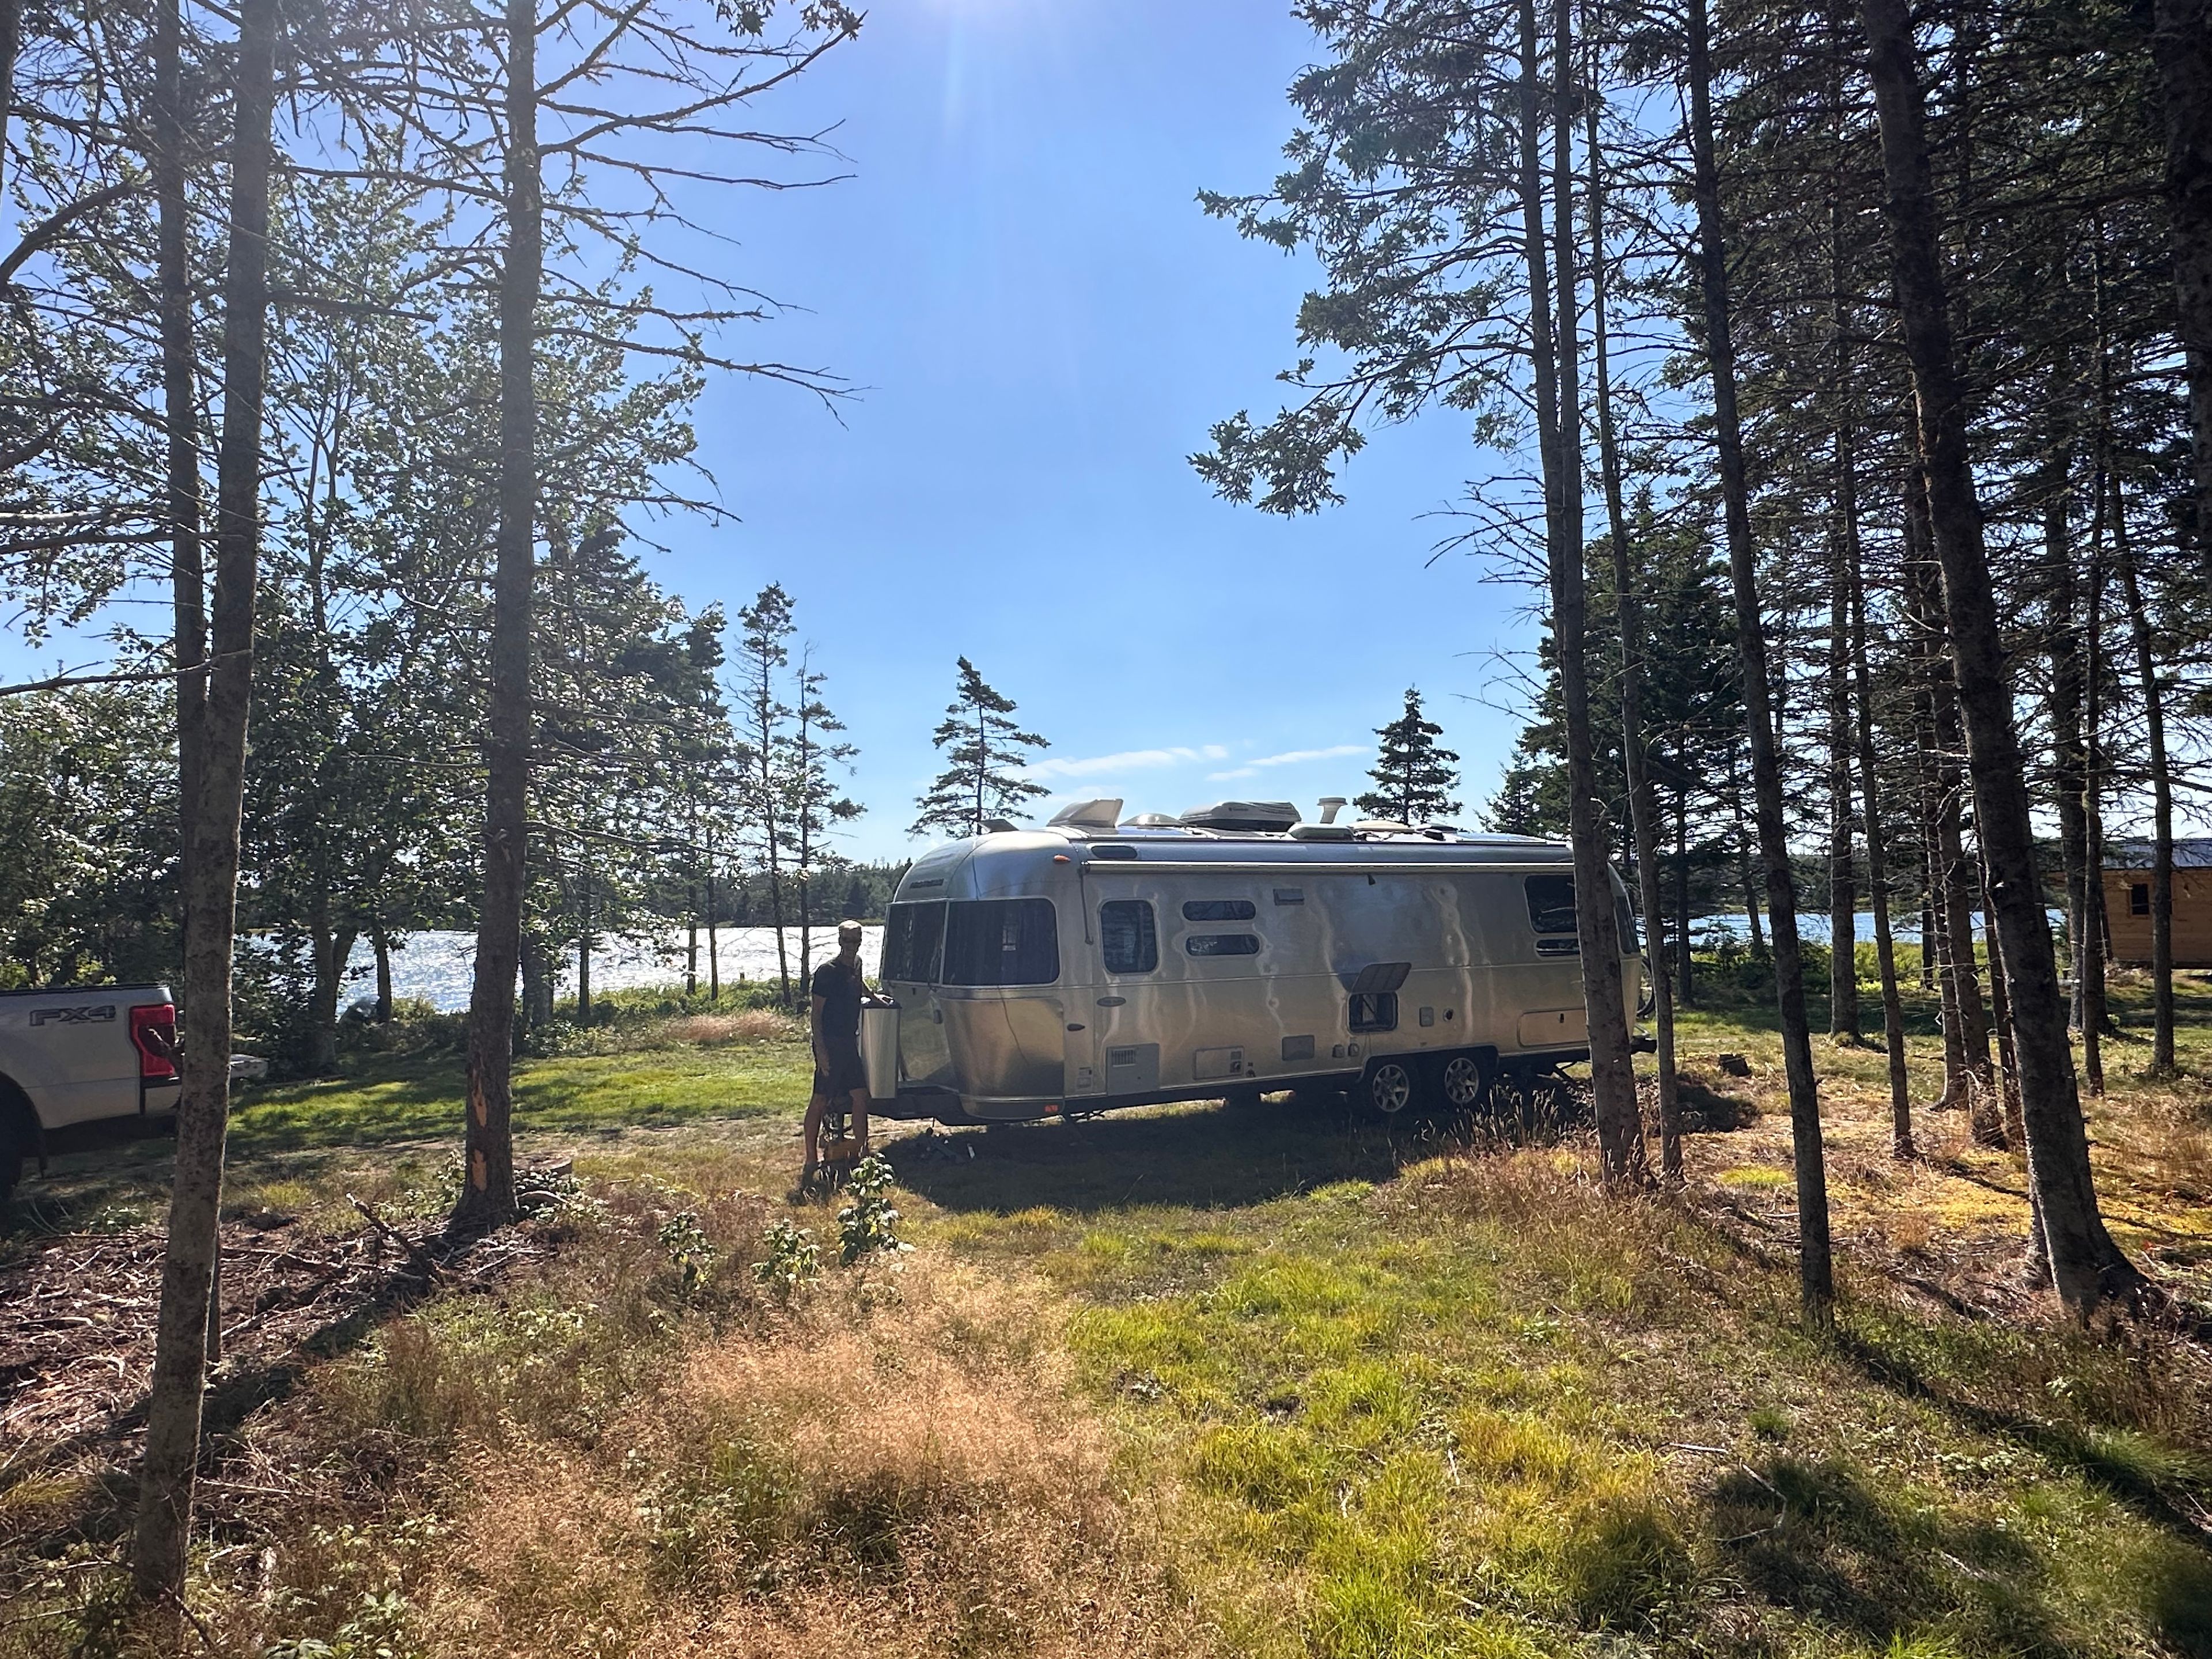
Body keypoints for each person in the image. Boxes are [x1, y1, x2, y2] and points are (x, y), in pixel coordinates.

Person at [802, 919, 872, 1187]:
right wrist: (821, 1052)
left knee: (860, 1096)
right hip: (830, 1043)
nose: (852, 946)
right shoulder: (826, 972)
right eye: (847, 941)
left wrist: (876, 998)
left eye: (856, 941)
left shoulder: (856, 965)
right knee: (820, 1100)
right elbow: (816, 1015)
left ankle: (862, 1151)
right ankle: (811, 1158)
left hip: (848, 1043)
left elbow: (859, 986)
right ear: (839, 941)